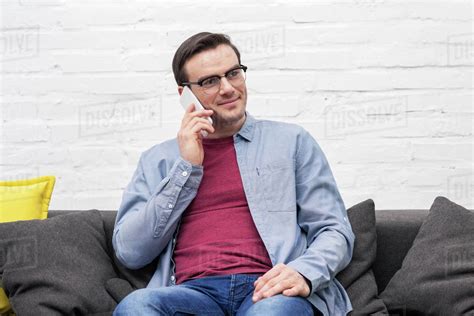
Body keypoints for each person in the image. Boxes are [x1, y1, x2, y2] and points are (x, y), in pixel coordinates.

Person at [112, 32, 354, 316]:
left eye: (233, 73)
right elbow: (130, 251)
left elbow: (334, 230)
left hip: (268, 291)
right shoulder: (158, 160)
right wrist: (186, 169)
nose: (228, 88)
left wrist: (302, 272)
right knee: (136, 306)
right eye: (210, 81)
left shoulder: (292, 142)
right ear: (184, 94)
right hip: (191, 293)